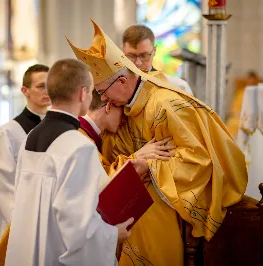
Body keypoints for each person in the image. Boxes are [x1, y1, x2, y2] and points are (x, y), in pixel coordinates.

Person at [67, 19, 248, 266]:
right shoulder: (123, 109)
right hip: (129, 205)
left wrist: (149, 167)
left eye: (102, 91)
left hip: (162, 205)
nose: (103, 99)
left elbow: (198, 160)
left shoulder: (166, 105)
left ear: (121, 82)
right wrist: (138, 161)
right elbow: (108, 162)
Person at [5, 59, 133, 266]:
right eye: (91, 91)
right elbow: (78, 229)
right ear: (83, 93)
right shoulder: (79, 146)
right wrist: (112, 235)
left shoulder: (30, 136)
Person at [0, 64, 50, 250]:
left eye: (50, 85)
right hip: (21, 219)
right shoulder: (9, 132)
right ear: (25, 91)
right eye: (41, 86)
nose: (47, 91)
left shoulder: (57, 128)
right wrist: (22, 220)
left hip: (49, 218)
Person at [79, 89, 176, 177]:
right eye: (122, 109)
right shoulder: (80, 138)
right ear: (108, 107)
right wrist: (137, 156)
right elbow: (100, 183)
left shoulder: (84, 133)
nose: (125, 119)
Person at [122, 24, 193, 95]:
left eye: (144, 55)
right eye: (131, 56)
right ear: (122, 52)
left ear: (154, 51)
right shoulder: (112, 89)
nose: (138, 63)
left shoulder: (178, 87)